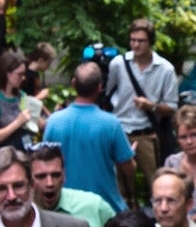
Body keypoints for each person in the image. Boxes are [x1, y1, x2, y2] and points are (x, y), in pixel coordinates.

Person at [42, 63, 134, 213]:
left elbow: (43, 161)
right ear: (100, 87)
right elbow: (128, 168)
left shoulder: (53, 122)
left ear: (73, 84)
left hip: (66, 208)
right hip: (105, 208)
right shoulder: (111, 124)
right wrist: (130, 157)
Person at [103, 20, 177, 192]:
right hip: (119, 130)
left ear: (150, 42)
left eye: (141, 41)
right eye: (132, 40)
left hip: (146, 133)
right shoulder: (118, 64)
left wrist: (151, 106)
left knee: (158, 183)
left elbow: (172, 106)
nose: (136, 45)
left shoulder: (165, 69)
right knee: (119, 186)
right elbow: (106, 94)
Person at [30, 142, 117, 227]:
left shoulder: (94, 206)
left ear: (64, 175)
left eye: (56, 175)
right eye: (41, 176)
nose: (50, 183)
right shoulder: (20, 214)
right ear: (29, 180)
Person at [0, 48, 42, 153]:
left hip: (26, 151)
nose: (23, 78)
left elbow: (37, 122)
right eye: (19, 74)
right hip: (5, 156)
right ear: (7, 74)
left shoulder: (21, 95)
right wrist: (18, 122)